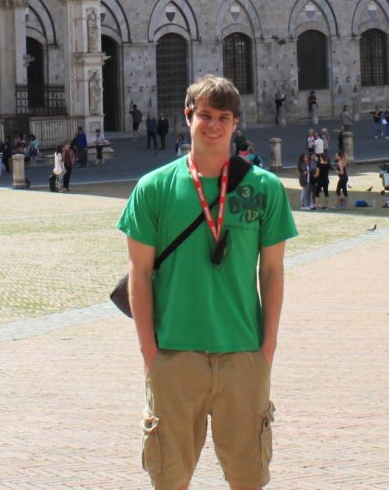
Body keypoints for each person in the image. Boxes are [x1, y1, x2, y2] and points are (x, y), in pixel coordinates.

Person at [117, 75, 297, 490]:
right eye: (204, 116)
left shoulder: (264, 189)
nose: (213, 125)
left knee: (249, 478)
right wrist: (150, 352)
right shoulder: (154, 188)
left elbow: (272, 272)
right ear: (188, 118)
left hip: (243, 354)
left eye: (223, 117)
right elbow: (139, 273)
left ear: (236, 123)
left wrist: (267, 348)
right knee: (169, 480)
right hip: (175, 356)